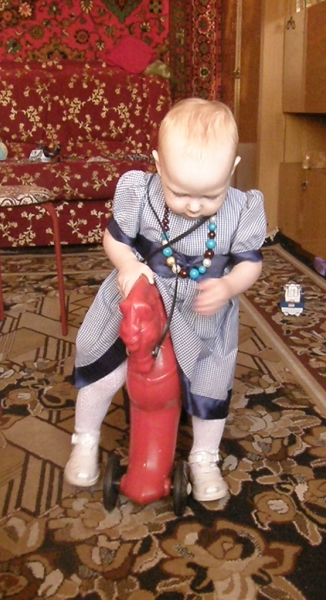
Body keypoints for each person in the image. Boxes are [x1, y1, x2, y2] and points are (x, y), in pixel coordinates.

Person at [64, 98, 267, 502]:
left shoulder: (243, 208)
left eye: (210, 195)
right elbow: (114, 239)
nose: (194, 206)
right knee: (105, 366)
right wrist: (126, 264)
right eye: (180, 193)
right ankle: (84, 439)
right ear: (158, 165)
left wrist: (229, 286)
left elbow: (251, 263)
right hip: (142, 293)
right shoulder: (139, 192)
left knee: (211, 381)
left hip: (201, 310)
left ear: (231, 170)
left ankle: (204, 457)